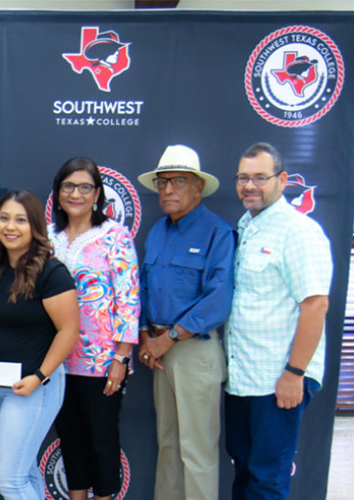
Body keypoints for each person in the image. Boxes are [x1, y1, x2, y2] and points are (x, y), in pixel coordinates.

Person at [225, 143, 332, 500]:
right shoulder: (247, 226)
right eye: (243, 178)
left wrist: (295, 373)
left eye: (260, 178)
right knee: (244, 473)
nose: (249, 186)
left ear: (282, 180)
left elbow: (315, 305)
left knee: (267, 482)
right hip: (243, 380)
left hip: (278, 381)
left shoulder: (298, 231)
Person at [136, 145, 235, 500]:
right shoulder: (158, 232)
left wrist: (171, 337)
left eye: (178, 181)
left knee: (197, 452)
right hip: (158, 351)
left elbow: (218, 298)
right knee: (169, 446)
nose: (168, 190)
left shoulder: (217, 233)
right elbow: (144, 289)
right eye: (163, 183)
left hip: (195, 351)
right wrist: (147, 335)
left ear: (198, 188)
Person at [0, 190, 80, 500]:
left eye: (20, 220)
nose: (10, 226)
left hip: (35, 386)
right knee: (24, 472)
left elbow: (69, 331)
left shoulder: (52, 272)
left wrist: (40, 376)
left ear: (34, 226)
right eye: (4, 218)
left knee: (9, 479)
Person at [48, 158, 140, 500]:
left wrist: (122, 357)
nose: (76, 193)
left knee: (102, 442)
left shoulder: (115, 236)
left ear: (98, 194)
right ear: (57, 194)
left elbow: (128, 298)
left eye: (85, 187)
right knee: (70, 439)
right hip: (56, 361)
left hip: (102, 362)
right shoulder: (48, 238)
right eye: (68, 186)